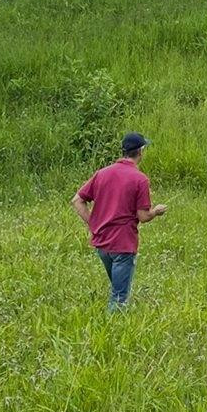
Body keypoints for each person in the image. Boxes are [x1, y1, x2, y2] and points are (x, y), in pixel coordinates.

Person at [72, 131, 167, 310]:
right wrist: (156, 211)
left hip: (102, 245)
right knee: (119, 298)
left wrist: (93, 223)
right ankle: (112, 332)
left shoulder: (102, 173)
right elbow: (143, 216)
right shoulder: (140, 179)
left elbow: (77, 200)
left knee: (117, 289)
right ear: (141, 151)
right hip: (123, 245)